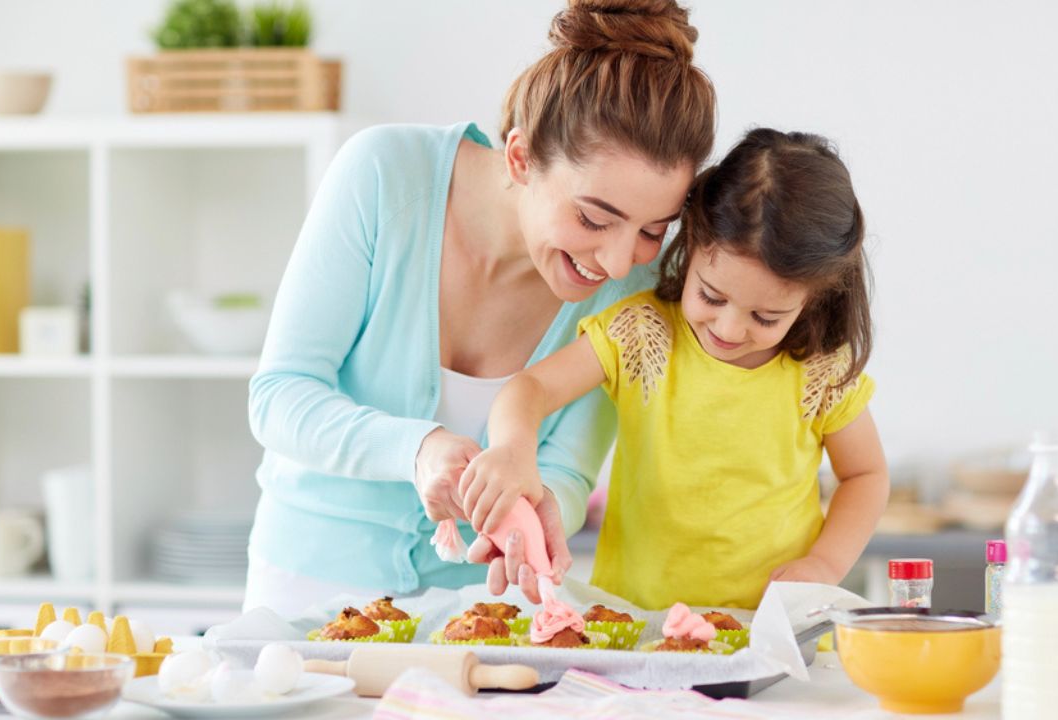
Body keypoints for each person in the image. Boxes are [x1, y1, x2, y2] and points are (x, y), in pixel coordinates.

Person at [244, 0, 716, 616]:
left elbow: (569, 470)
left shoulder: (639, 284)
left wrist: (539, 504)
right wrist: (417, 450)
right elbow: (280, 395)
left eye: (653, 230)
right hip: (305, 584)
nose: (620, 261)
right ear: (520, 157)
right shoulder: (384, 176)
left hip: (479, 610)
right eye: (594, 218)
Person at [460, 128, 889, 609]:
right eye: (710, 295)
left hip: (765, 630)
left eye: (766, 317)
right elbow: (530, 388)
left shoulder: (819, 371)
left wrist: (825, 565)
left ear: (814, 299)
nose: (728, 327)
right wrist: (513, 451)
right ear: (691, 246)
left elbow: (866, 476)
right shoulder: (643, 334)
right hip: (638, 622)